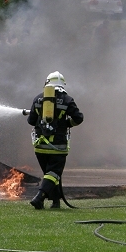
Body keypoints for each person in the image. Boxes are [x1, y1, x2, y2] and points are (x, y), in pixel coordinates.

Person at [26, 71, 84, 209]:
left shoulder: (38, 99)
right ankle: (39, 197)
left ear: (47, 83)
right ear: (62, 85)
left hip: (40, 145)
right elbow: (79, 118)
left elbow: (31, 121)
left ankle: (55, 202)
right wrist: (67, 124)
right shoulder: (68, 100)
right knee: (54, 173)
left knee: (50, 175)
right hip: (58, 145)